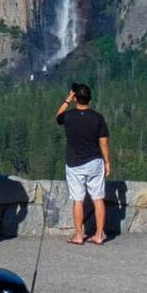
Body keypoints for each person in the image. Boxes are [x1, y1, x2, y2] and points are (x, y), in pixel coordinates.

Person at [55, 82, 111, 245]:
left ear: (75, 98)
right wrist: (107, 162)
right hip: (94, 161)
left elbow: (58, 116)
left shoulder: (69, 117)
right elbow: (104, 142)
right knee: (98, 199)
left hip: (74, 163)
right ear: (90, 99)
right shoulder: (97, 117)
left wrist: (68, 99)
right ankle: (99, 235)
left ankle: (79, 235)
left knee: (78, 200)